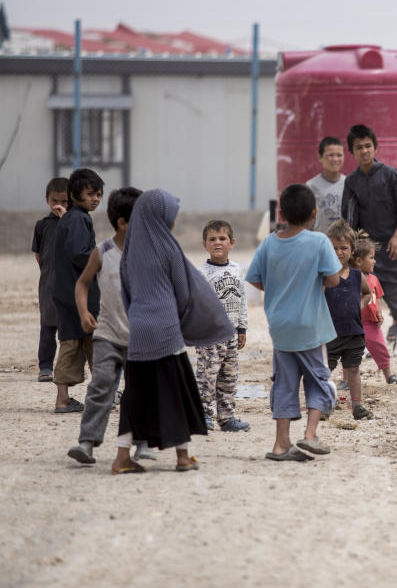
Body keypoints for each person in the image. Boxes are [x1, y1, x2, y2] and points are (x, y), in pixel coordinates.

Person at [111, 189, 235, 474]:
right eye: (171, 216)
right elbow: (184, 292)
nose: (173, 223)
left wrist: (138, 318)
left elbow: (126, 292)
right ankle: (182, 456)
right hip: (166, 330)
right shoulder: (168, 247)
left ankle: (121, 458)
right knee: (176, 390)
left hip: (139, 331)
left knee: (135, 394)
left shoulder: (129, 250)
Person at [247, 184, 342, 461]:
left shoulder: (269, 242)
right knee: (318, 379)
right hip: (310, 326)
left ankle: (280, 444)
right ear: (314, 213)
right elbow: (334, 278)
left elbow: (254, 279)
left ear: (281, 213)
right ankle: (310, 435)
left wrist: (279, 288)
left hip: (280, 327)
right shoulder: (319, 242)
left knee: (285, 383)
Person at [68, 187, 156, 466]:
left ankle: (142, 444)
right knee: (101, 386)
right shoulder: (103, 252)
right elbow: (82, 283)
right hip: (107, 335)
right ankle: (87, 442)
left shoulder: (150, 252)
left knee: (141, 391)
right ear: (122, 222)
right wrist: (83, 312)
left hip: (141, 339)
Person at [341, 124, 397, 355]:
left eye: (368, 146)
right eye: (359, 147)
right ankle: (367, 341)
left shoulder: (390, 174)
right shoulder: (351, 182)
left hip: (395, 245)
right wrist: (353, 249)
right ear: (352, 152)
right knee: (366, 293)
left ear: (375, 147)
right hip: (366, 250)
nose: (364, 151)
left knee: (393, 293)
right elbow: (349, 217)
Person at [52, 168, 104, 413]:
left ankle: (63, 398)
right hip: (78, 293)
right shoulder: (78, 219)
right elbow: (79, 254)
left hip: (66, 291)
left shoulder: (72, 218)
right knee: (94, 341)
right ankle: (103, 394)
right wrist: (103, 258)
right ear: (74, 195)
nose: (95, 199)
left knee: (71, 340)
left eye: (99, 194)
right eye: (91, 194)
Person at [194, 220, 250, 433]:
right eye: (212, 239)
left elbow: (242, 298)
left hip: (231, 334)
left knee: (228, 378)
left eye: (222, 239)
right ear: (204, 244)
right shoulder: (201, 273)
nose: (218, 243)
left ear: (232, 243)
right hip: (210, 335)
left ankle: (226, 417)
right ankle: (204, 415)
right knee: (207, 377)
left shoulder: (236, 270)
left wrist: (242, 328)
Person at [325, 219, 378, 419]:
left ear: (352, 249)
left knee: (353, 369)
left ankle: (357, 406)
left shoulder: (356, 275)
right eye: (334, 248)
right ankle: (323, 404)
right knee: (324, 371)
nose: (339, 252)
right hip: (329, 333)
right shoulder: (325, 276)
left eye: (344, 248)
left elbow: (367, 293)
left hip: (354, 332)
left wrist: (360, 305)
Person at [33, 177, 68, 382]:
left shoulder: (76, 222)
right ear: (47, 200)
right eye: (55, 201)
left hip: (70, 284)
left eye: (65, 202)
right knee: (47, 326)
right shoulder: (42, 225)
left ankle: (72, 366)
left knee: (70, 329)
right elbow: (38, 254)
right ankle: (45, 366)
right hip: (48, 283)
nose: (59, 206)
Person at [355, 238, 396, 386]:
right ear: (359, 261)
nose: (374, 261)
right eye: (371, 258)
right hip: (355, 322)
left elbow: (376, 298)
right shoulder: (352, 279)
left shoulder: (374, 279)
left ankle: (388, 375)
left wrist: (379, 313)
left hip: (371, 323)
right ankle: (346, 380)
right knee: (351, 353)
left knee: (380, 347)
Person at [307, 136, 346, 232]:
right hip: (319, 240)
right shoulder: (311, 186)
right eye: (331, 155)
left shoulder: (349, 183)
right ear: (320, 157)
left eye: (339, 155)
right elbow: (307, 219)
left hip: (342, 243)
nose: (335, 159)